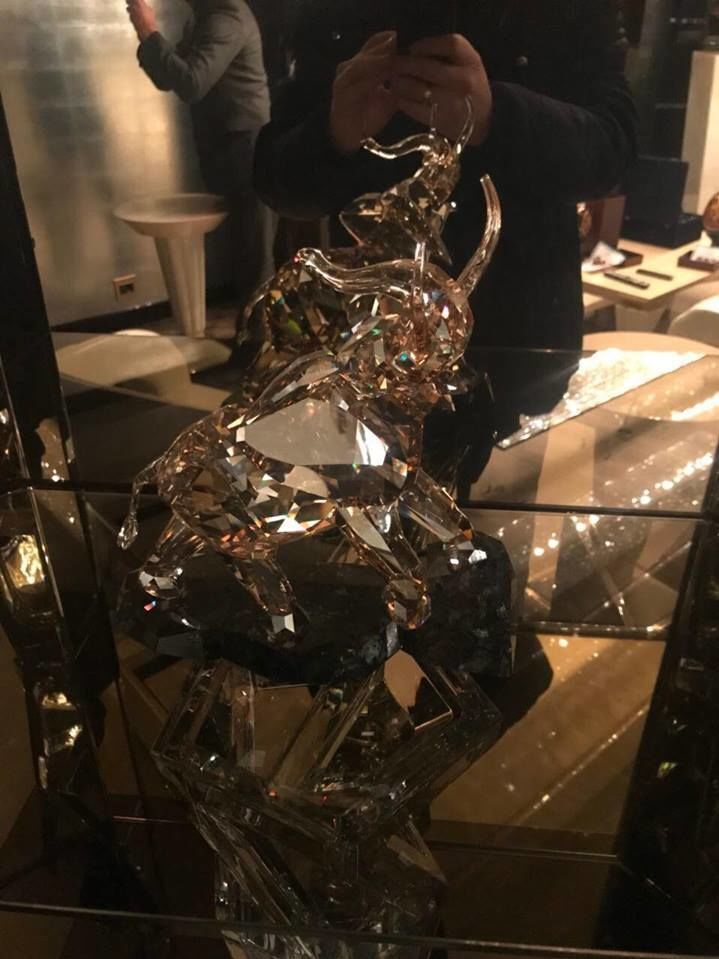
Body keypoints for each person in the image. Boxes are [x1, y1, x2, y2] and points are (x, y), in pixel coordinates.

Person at [254, 0, 637, 353]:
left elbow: (615, 152)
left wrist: (495, 117)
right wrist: (333, 133)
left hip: (522, 341)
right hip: (370, 342)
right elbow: (277, 181)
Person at [126, 0, 276, 324]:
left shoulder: (226, 17)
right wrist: (146, 36)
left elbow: (192, 84)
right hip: (230, 147)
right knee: (244, 249)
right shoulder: (205, 17)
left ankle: (258, 342)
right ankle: (256, 336)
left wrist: (149, 31)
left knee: (253, 255)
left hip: (246, 147)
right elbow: (170, 77)